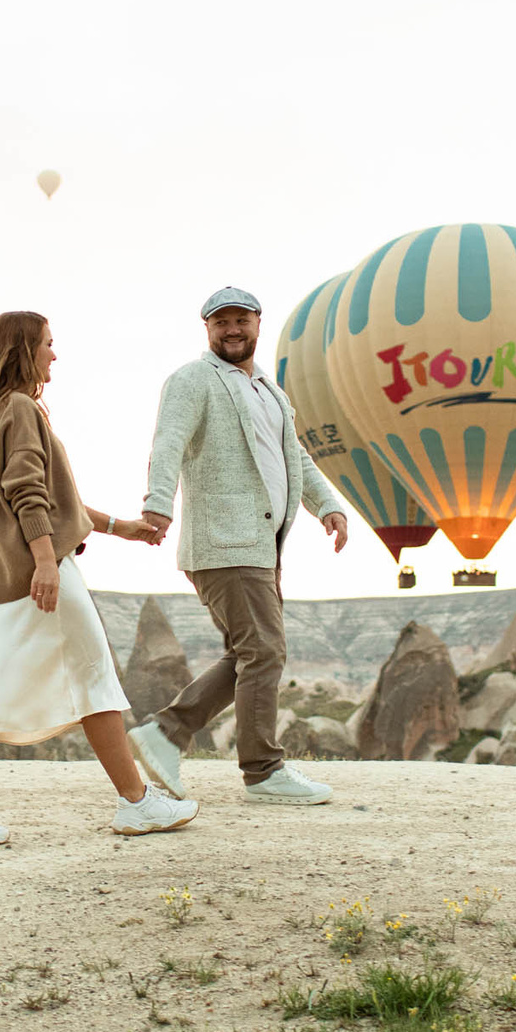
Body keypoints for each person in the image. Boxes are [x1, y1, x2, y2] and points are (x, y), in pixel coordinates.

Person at [0, 310, 202, 846]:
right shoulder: (22, 408)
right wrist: (48, 562)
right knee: (95, 679)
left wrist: (121, 528)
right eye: (49, 344)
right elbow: (27, 491)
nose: (55, 354)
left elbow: (55, 498)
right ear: (26, 350)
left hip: (1, 576)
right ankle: (137, 803)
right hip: (38, 572)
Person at [129, 286, 350, 805]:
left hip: (261, 543)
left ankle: (163, 735)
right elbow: (168, 442)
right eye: (220, 321)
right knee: (265, 650)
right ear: (207, 328)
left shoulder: (270, 392)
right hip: (225, 541)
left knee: (248, 653)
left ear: (257, 324)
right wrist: (157, 503)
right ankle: (262, 770)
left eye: (241, 320)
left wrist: (330, 506)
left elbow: (295, 456)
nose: (232, 329)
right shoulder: (192, 380)